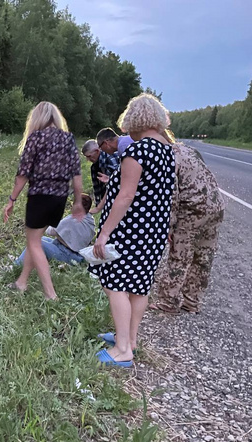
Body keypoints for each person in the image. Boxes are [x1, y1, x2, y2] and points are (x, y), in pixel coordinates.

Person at [90, 93, 175, 367]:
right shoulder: (166, 151)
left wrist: (104, 234)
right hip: (153, 233)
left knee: (115, 285)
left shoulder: (137, 151)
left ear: (135, 119)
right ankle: (129, 339)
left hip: (131, 231)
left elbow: (125, 196)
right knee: (138, 288)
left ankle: (122, 350)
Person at [3, 101, 84, 299]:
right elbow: (77, 173)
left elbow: (23, 174)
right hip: (60, 198)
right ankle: (22, 282)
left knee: (33, 242)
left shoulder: (36, 138)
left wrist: (12, 199)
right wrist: (78, 201)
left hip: (39, 196)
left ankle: (50, 294)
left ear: (36, 118)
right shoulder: (68, 139)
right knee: (36, 240)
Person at [150, 133, 225, 314]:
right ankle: (192, 302)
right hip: (215, 205)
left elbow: (172, 196)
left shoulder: (166, 157)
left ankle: (168, 301)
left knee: (180, 255)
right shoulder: (189, 150)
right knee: (203, 256)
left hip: (192, 209)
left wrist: (169, 226)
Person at [15, 194, 94, 266]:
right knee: (42, 239)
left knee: (37, 243)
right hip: (79, 255)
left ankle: (17, 265)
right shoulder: (90, 220)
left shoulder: (72, 219)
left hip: (67, 255)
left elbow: (50, 231)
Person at [81, 139, 120, 206]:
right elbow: (97, 188)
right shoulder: (94, 167)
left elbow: (119, 182)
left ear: (97, 151)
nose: (88, 160)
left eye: (89, 156)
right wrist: (98, 205)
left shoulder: (110, 159)